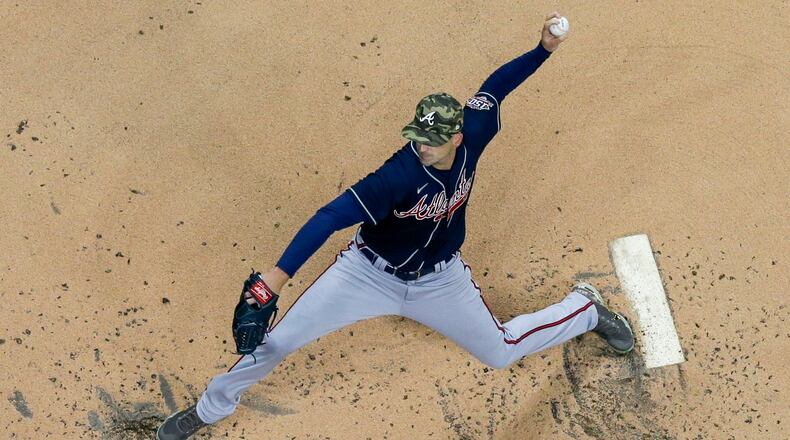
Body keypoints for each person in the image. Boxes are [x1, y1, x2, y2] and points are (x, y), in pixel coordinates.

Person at [156, 12, 635, 440]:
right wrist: (271, 283)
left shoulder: (477, 131)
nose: (420, 146)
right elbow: (327, 218)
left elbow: (497, 85)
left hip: (440, 281)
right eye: (416, 137)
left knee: (500, 350)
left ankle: (585, 309)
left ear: (456, 134)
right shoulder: (397, 176)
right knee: (274, 341)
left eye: (430, 141)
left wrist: (542, 51)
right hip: (366, 274)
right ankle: (209, 408)